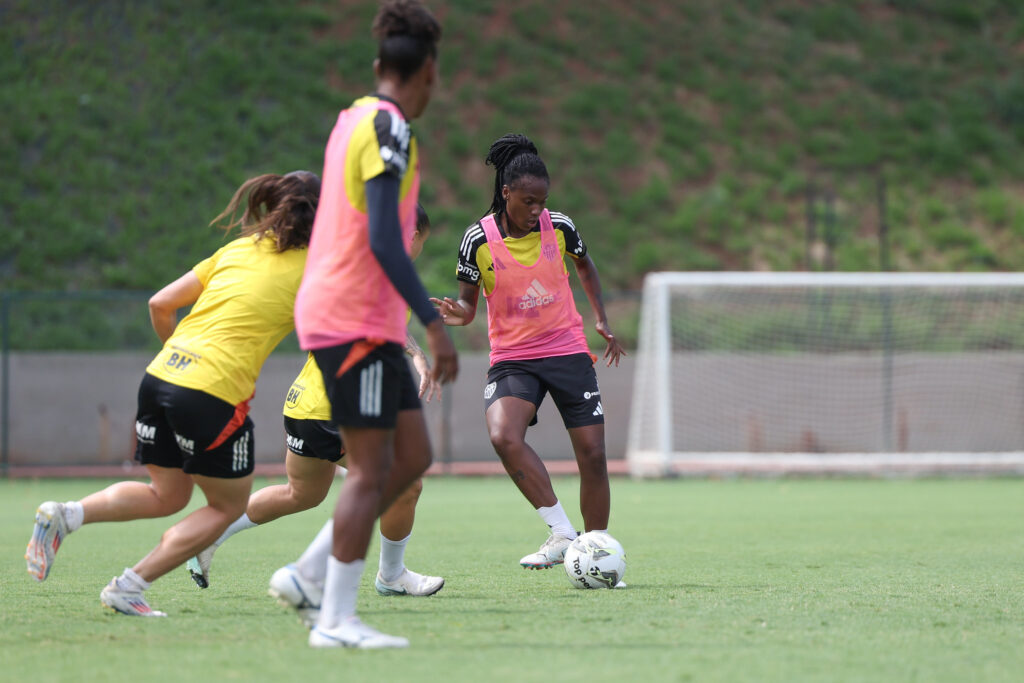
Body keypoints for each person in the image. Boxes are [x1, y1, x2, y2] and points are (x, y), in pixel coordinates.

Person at [25, 171, 322, 616]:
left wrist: (182, 362)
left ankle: (65, 514)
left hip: (162, 375)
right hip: (213, 392)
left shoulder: (238, 249)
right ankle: (129, 586)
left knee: (168, 495)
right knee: (226, 507)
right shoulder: (316, 267)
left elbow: (160, 304)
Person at [185, 205, 445, 613]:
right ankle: (381, 576)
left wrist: (415, 355)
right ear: (410, 235)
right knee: (401, 482)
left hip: (306, 403)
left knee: (302, 494)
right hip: (338, 406)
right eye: (421, 242)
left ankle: (208, 536)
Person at [293, 0, 456, 649]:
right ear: (428, 75)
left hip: (356, 316)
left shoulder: (353, 117)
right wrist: (433, 325)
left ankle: (307, 573)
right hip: (353, 318)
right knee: (371, 469)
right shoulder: (390, 129)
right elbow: (388, 240)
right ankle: (333, 617)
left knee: (412, 456)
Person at [432, 133, 626, 576]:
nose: (536, 209)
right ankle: (562, 534)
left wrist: (601, 318)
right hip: (514, 358)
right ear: (505, 193)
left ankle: (596, 556)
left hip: (567, 350)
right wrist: (457, 314)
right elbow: (467, 303)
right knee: (503, 436)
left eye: (541, 200)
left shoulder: (559, 227)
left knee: (593, 456)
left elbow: (585, 264)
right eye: (527, 200)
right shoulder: (476, 240)